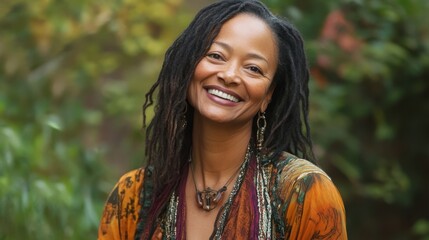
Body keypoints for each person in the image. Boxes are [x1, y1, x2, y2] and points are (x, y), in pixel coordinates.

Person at [98, 0, 347, 239]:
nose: (229, 75)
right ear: (188, 66)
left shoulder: (303, 193)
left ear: (267, 97)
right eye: (216, 56)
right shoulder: (134, 198)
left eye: (253, 68)